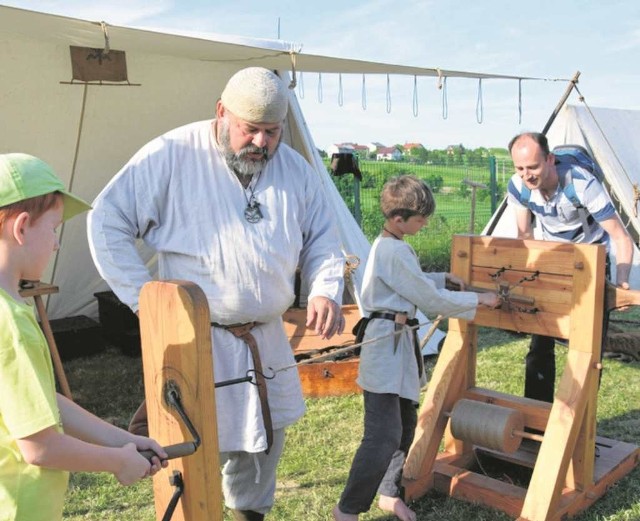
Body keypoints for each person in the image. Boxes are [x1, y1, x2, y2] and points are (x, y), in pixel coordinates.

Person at [87, 67, 345, 520]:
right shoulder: (170, 155)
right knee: (189, 452)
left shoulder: (295, 169)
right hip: (194, 343)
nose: (262, 143)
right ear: (222, 112)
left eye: (272, 131)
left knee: (262, 448)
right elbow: (106, 221)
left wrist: (325, 288)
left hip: (264, 338)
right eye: (251, 129)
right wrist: (149, 304)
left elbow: (323, 235)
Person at [0, 153, 167, 521]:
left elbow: (43, 404)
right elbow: (38, 446)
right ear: (22, 227)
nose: (56, 244)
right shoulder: (10, 323)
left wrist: (123, 441)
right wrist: (116, 462)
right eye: (54, 228)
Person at [333, 175, 500, 521]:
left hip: (399, 346)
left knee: (406, 427)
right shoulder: (392, 249)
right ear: (398, 219)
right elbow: (426, 297)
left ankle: (389, 493)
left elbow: (410, 282)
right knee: (382, 436)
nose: (424, 223)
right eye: (420, 218)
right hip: (385, 348)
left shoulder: (391, 245)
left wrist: (443, 278)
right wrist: (479, 298)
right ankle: (346, 510)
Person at [506, 132, 634, 402]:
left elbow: (621, 238)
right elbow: (524, 237)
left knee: (587, 351)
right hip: (552, 262)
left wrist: (621, 282)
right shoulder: (518, 187)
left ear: (550, 159)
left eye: (533, 167)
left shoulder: (581, 184)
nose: (526, 175)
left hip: (591, 262)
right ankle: (536, 416)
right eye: (520, 168)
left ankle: (580, 424)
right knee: (539, 343)